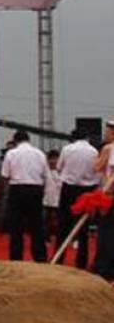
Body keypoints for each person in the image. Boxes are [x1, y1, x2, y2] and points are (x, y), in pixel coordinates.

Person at [1, 130, 49, 262]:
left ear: (15, 140)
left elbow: (5, 175)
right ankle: (40, 257)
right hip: (35, 189)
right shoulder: (39, 153)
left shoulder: (11, 153)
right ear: (28, 139)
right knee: (37, 225)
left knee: (16, 226)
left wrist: (7, 192)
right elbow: (45, 175)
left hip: (17, 189)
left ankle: (16, 257)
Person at [55, 129, 100, 269]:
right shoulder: (94, 151)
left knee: (63, 224)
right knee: (83, 227)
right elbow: (96, 171)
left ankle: (58, 259)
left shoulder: (67, 149)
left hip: (69, 188)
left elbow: (58, 168)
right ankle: (82, 261)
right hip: (87, 190)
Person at [92, 120, 114, 280]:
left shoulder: (108, 148)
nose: (105, 134)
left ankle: (104, 267)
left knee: (106, 232)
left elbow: (97, 168)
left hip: (109, 195)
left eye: (107, 131)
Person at [43, 149, 62, 245]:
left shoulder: (63, 172)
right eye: (51, 159)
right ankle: (46, 239)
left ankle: (61, 239)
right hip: (46, 200)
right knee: (45, 220)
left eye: (55, 159)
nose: (53, 161)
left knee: (60, 221)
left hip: (59, 199)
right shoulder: (45, 172)